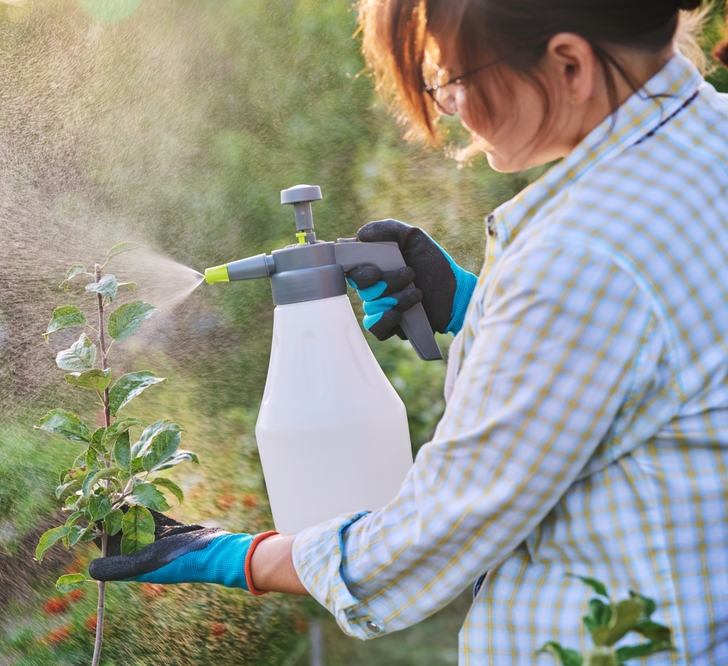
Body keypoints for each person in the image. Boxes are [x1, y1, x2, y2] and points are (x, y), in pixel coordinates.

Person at [89, 0, 728, 662]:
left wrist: (230, 555)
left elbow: (437, 533)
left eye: (455, 78)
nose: (449, 106)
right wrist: (471, 305)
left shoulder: (582, 258)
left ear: (569, 63)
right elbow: (664, 362)